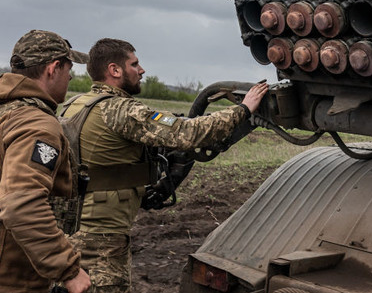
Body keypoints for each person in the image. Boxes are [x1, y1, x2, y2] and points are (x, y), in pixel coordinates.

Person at [63, 38, 268, 292]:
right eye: (134, 64)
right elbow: (187, 133)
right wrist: (244, 110)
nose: (142, 70)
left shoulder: (74, 104)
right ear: (114, 70)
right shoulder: (120, 110)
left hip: (71, 230)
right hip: (102, 238)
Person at [0, 30, 92, 293]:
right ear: (53, 69)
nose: (71, 76)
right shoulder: (36, 123)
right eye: (69, 68)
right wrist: (68, 269)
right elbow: (21, 204)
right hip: (14, 277)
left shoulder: (6, 110)